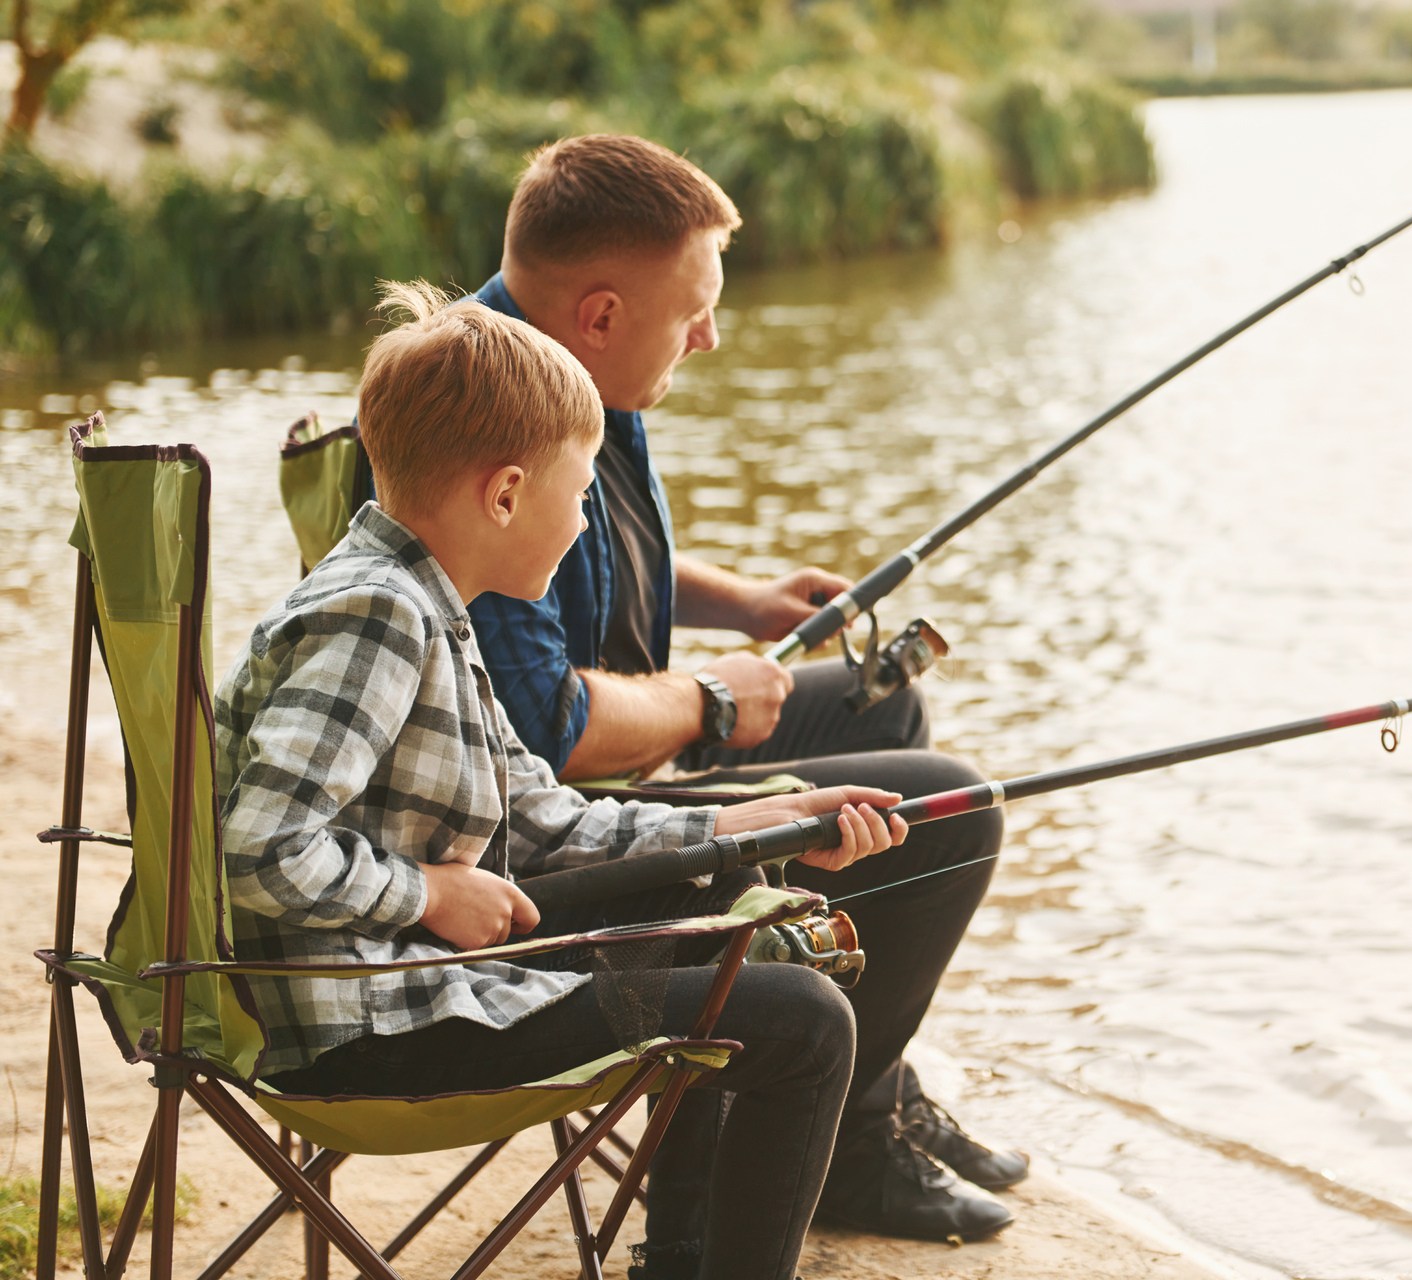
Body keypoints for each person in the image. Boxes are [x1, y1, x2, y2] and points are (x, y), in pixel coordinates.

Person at [216, 282, 910, 1280]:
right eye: (579, 489)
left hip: (405, 981)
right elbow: (259, 844)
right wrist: (428, 892)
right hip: (375, 1021)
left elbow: (544, 813)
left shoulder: (419, 600)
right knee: (804, 1020)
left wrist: (753, 823)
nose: (585, 522)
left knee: (730, 909)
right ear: (504, 493)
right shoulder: (379, 616)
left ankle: (680, 1257)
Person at [460, 134, 1025, 1251]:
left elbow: (604, 565)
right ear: (602, 314)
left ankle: (871, 1091)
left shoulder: (576, 368)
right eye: (694, 312)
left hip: (620, 764)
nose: (711, 335)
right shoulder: (502, 418)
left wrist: (747, 605)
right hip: (568, 825)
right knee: (955, 811)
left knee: (879, 707)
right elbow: (544, 729)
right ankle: (850, 1136)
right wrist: (710, 702)